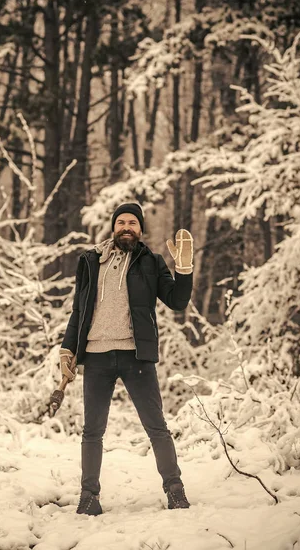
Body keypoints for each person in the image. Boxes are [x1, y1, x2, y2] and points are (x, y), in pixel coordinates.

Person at [59, 202, 193, 516]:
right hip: (95, 356)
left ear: (140, 229)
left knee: (156, 427)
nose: (126, 227)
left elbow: (177, 301)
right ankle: (89, 496)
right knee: (92, 431)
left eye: (132, 222)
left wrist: (184, 271)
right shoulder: (90, 261)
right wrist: (68, 350)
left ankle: (175, 492)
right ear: (113, 227)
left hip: (137, 356)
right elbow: (79, 310)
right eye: (121, 222)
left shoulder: (152, 263)